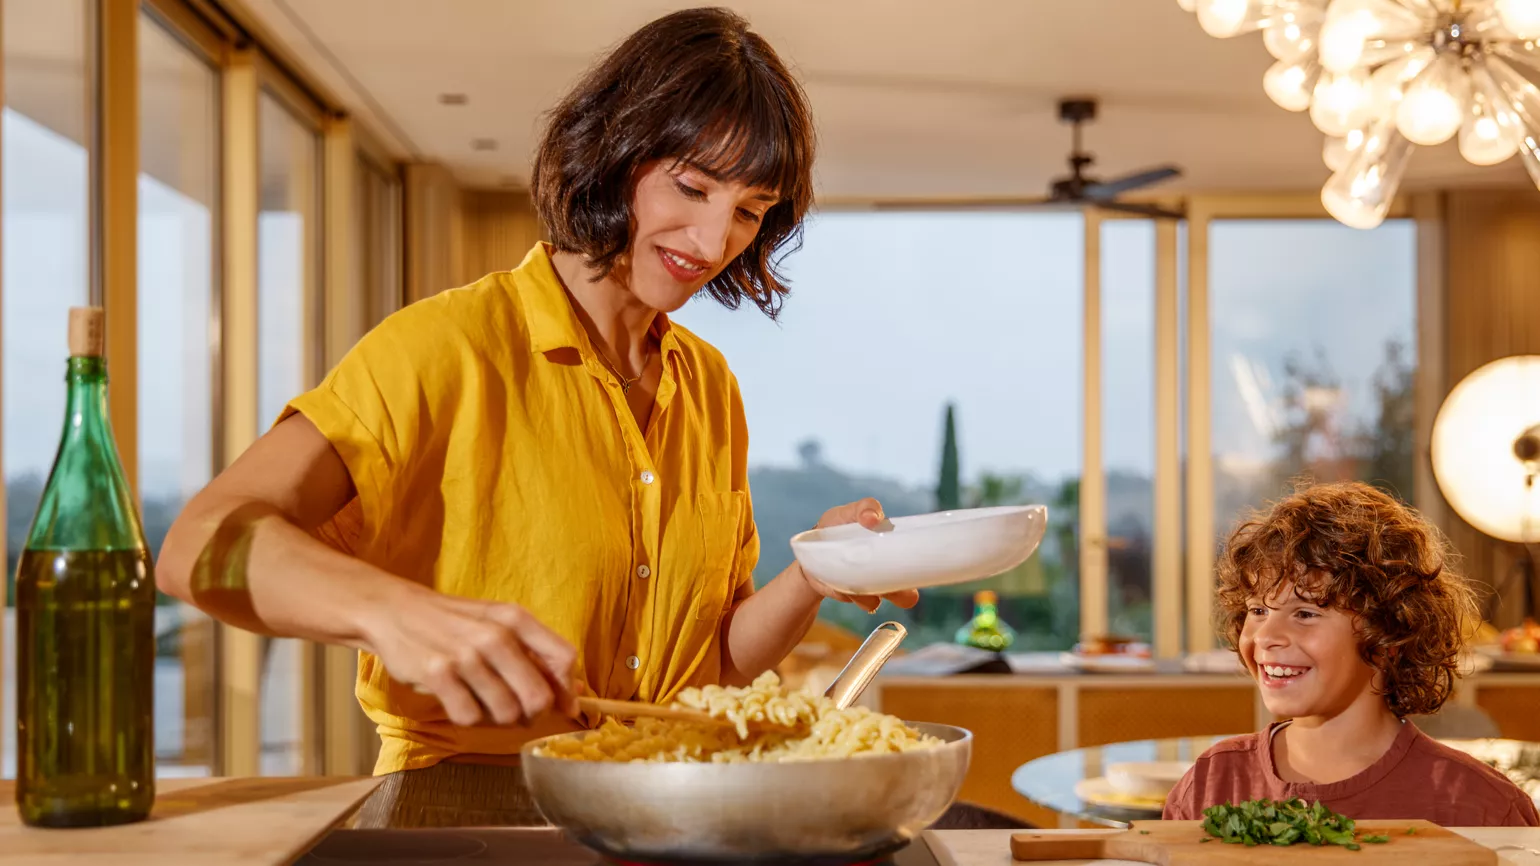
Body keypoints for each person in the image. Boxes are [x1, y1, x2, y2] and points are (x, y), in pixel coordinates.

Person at [157, 6, 918, 784]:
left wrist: (812, 575)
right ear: (617, 153)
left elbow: (711, 669)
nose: (712, 241)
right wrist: (394, 612)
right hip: (458, 808)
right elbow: (197, 545)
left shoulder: (709, 386)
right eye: (691, 188)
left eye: (749, 212)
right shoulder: (443, 348)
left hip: (660, 804)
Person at [1162, 482, 1539, 827]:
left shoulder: (1482, 807)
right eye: (1257, 610)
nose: (1266, 637)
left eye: (1306, 613)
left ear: (1390, 630)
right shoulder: (1209, 785)